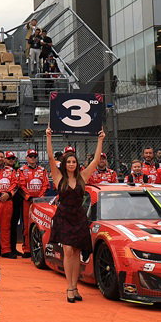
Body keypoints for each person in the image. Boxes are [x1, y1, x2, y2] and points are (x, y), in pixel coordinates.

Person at [44, 126, 105, 303]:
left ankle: (75, 286)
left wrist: (100, 140)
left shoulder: (83, 177)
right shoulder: (58, 177)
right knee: (68, 250)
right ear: (64, 164)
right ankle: (69, 287)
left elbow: (95, 160)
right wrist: (49, 136)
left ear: (77, 164)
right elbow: (49, 157)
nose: (71, 164)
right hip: (63, 217)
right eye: (69, 162)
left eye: (74, 162)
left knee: (77, 252)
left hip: (79, 217)